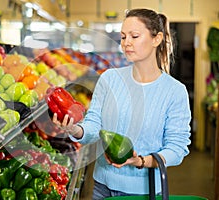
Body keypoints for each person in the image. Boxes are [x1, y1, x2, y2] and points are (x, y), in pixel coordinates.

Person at [52, 8, 192, 199]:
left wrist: (140, 161)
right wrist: (75, 129)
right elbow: (94, 123)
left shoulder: (174, 91)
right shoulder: (110, 79)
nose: (126, 43)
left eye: (134, 36)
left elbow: (177, 148)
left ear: (157, 39)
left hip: (145, 191)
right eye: (123, 37)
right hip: (102, 187)